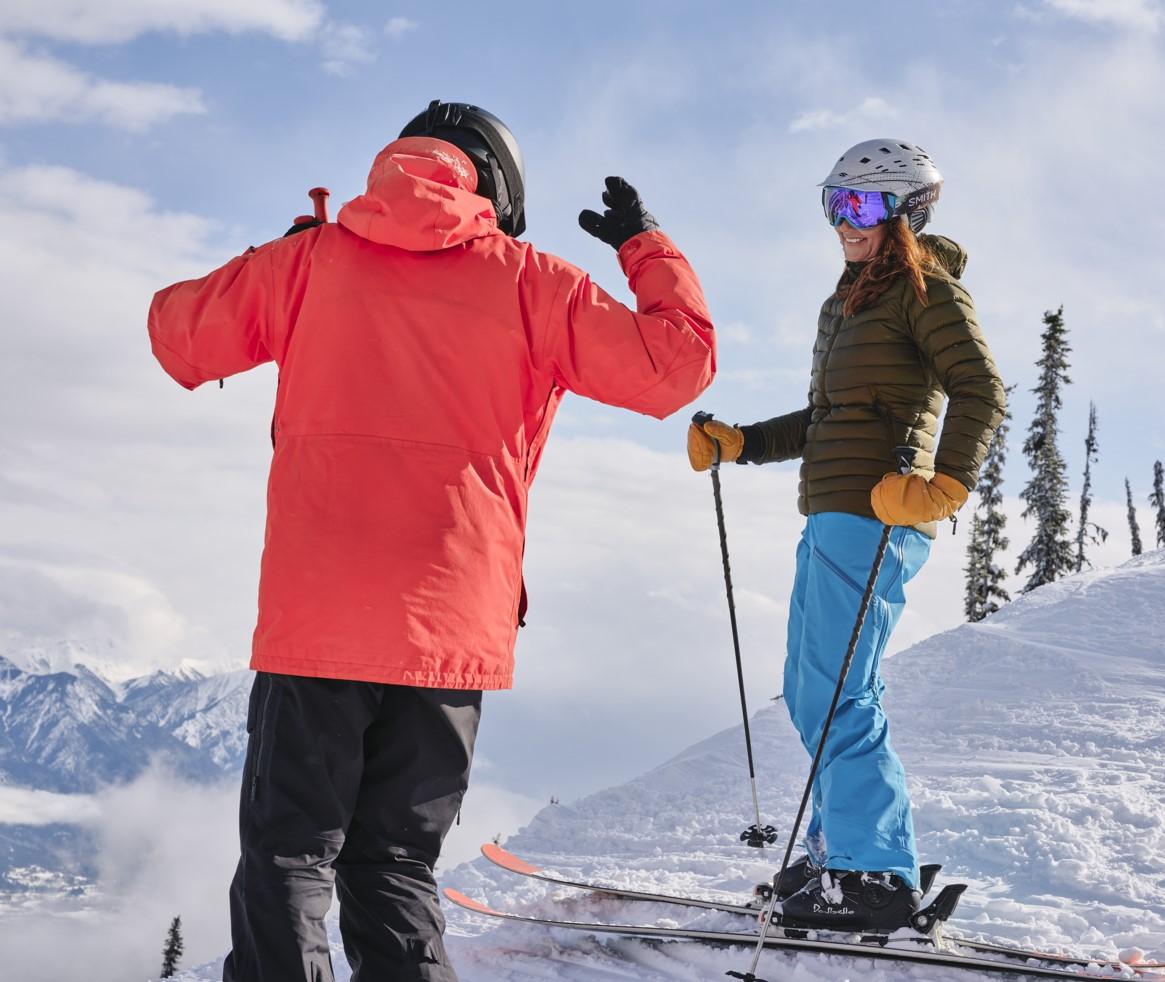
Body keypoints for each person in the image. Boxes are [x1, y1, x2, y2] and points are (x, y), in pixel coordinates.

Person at [147, 100, 716, 981]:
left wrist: (279, 254)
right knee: (395, 864)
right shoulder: (536, 282)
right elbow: (672, 367)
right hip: (450, 627)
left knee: (289, 855)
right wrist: (646, 246)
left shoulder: (309, 262)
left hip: (318, 622)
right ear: (497, 183)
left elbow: (177, 334)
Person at [688, 139, 1003, 934]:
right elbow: (828, 419)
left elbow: (980, 387)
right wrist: (743, 442)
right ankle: (845, 855)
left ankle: (873, 872)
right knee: (811, 689)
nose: (841, 222)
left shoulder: (923, 289)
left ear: (904, 211)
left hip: (881, 511)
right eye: (832, 204)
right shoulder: (852, 301)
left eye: (858, 206)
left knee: (836, 692)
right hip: (833, 509)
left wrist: (947, 484)